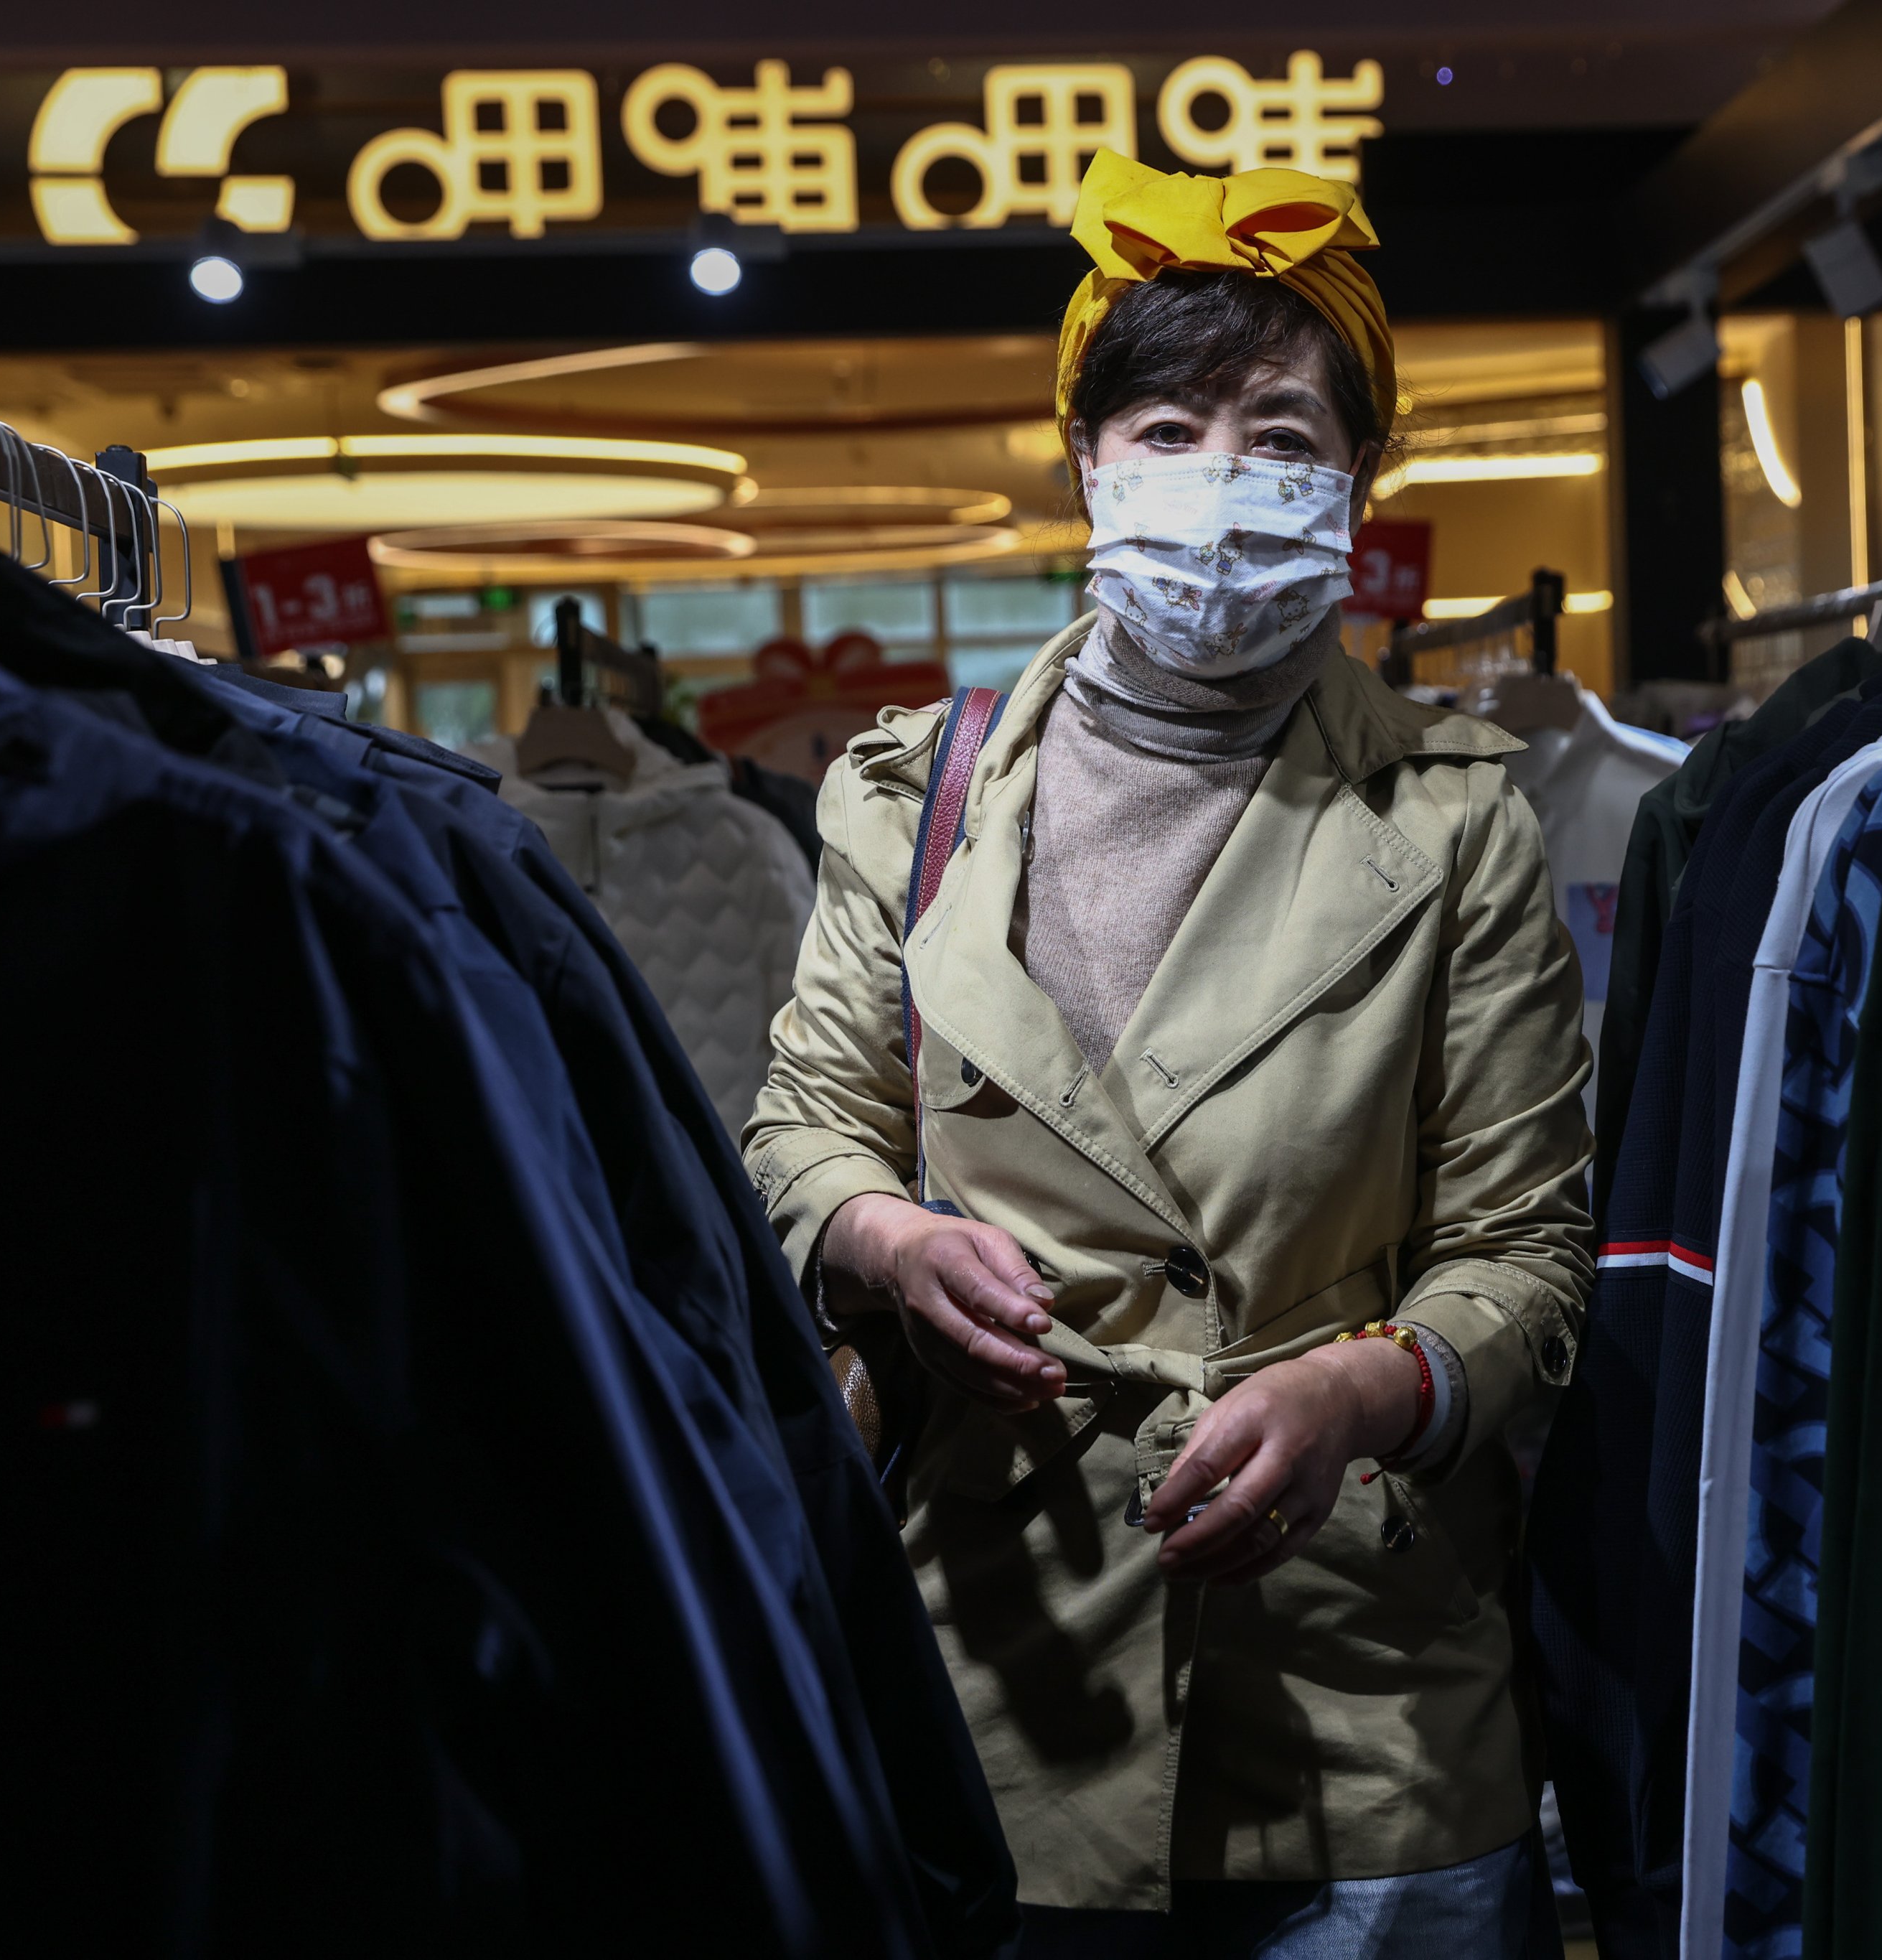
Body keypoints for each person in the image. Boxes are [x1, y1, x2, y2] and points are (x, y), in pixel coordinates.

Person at [742, 150, 1593, 1960]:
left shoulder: (1453, 821)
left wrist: (1367, 1394)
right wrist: (886, 1243)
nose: (1220, 483)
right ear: (1080, 462)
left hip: (1357, 1703)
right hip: (999, 1672)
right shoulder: (914, 798)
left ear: (1356, 479)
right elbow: (806, 1125)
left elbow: (1524, 1251)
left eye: (1281, 437)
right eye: (1163, 427)